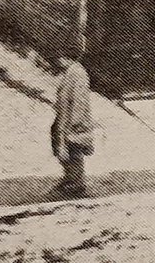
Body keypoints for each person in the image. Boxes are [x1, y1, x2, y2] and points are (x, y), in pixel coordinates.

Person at [51, 41, 94, 198]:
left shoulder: (77, 73)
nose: (58, 61)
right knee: (62, 146)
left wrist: (76, 122)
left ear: (66, 57)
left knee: (73, 149)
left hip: (73, 120)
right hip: (66, 116)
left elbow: (80, 99)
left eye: (60, 58)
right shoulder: (71, 71)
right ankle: (69, 177)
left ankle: (76, 182)